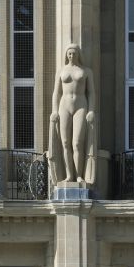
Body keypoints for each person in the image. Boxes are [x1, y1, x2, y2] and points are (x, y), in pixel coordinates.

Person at [49, 43, 97, 185]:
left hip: (80, 106)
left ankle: (79, 175)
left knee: (77, 143)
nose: (71, 55)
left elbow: (91, 92)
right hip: (64, 106)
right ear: (66, 55)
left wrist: (91, 109)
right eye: (69, 53)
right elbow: (56, 93)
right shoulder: (61, 71)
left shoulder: (86, 71)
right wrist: (54, 110)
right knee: (65, 142)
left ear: (78, 54)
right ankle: (69, 175)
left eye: (74, 53)